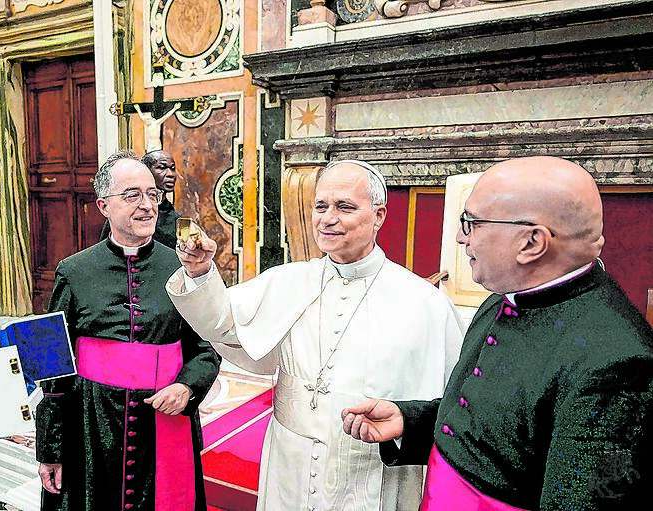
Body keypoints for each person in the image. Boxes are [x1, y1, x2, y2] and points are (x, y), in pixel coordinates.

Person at [342, 156, 653, 510]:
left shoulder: (615, 361)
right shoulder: (501, 299)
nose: (461, 237)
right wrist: (411, 421)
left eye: (471, 223)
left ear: (531, 243)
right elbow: (500, 424)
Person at [167, 160, 465, 510]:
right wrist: (200, 271)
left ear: (379, 215)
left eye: (345, 207)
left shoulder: (424, 303)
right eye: (320, 206)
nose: (327, 218)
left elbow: (452, 408)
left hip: (371, 470)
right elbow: (222, 322)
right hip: (290, 462)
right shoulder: (289, 280)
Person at [35, 150, 220, 511]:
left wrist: (187, 386)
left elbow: (207, 346)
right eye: (132, 195)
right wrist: (50, 448)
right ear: (104, 206)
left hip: (164, 424)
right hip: (90, 427)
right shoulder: (72, 271)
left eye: (152, 194)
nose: (147, 205)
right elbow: (50, 366)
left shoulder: (183, 268)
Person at [101, 149, 182, 248]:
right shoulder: (121, 215)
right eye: (161, 167)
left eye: (173, 168)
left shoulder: (174, 218)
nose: (170, 174)